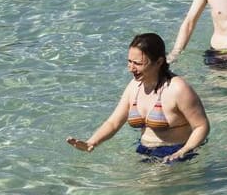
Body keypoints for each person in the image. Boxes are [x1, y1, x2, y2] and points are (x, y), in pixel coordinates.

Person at [68, 32, 209, 163]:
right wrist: (92, 142)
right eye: (130, 61)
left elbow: (201, 126)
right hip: (144, 151)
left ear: (159, 62)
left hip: (175, 154)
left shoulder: (178, 89)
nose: (131, 68)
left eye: (138, 63)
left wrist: (183, 151)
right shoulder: (134, 86)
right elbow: (113, 123)